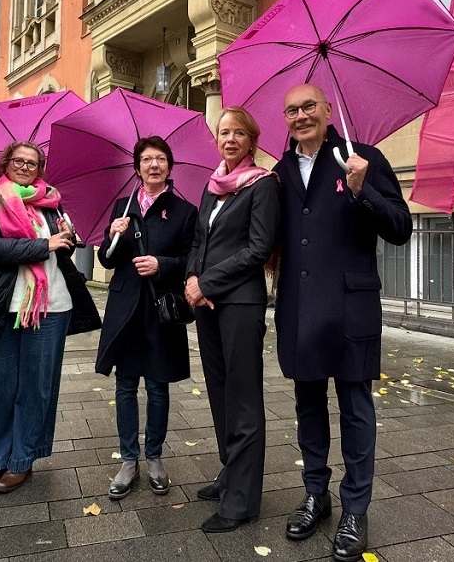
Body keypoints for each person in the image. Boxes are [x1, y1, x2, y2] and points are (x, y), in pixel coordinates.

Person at [273, 84, 412, 562]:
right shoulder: (280, 170)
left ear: (329, 110)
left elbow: (400, 226)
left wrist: (362, 190)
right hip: (298, 308)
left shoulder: (362, 157)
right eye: (291, 110)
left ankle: (356, 507)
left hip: (351, 308)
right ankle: (317, 494)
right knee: (308, 405)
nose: (300, 116)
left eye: (309, 106)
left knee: (355, 409)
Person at [0, 140, 82, 494]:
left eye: (33, 162)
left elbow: (63, 248)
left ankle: (23, 458)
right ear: (5, 163)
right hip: (2, 307)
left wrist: (67, 239)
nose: (25, 166)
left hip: (52, 305)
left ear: (40, 168)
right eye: (19, 161)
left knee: (36, 387)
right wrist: (45, 245)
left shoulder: (52, 205)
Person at [185, 107, 279, 533]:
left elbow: (257, 250)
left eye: (239, 132)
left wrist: (207, 283)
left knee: (242, 399)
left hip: (240, 305)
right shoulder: (212, 186)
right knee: (220, 394)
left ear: (251, 140)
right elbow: (198, 241)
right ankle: (230, 474)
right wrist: (190, 276)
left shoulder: (262, 185)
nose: (230, 139)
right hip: (207, 305)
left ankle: (242, 501)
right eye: (224, 132)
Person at [95, 136, 197, 499]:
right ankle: (128, 459)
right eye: (147, 160)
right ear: (137, 167)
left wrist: (162, 265)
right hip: (125, 310)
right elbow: (106, 260)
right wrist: (111, 235)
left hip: (160, 309)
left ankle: (154, 458)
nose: (154, 165)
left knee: (157, 386)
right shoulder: (123, 207)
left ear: (170, 167)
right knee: (125, 385)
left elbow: (192, 260)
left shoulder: (185, 211)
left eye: (161, 159)